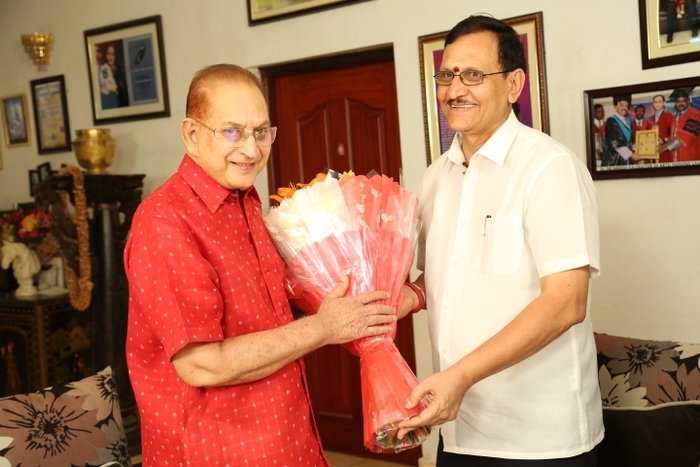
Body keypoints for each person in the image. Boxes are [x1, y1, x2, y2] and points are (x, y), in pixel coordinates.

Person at [123, 64, 397, 466]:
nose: (251, 150)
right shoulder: (164, 222)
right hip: (218, 453)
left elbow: (268, 314)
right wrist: (326, 326)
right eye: (232, 132)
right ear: (191, 134)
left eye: (261, 132)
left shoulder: (246, 201)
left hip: (288, 440)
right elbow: (201, 364)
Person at [395, 14, 603, 465]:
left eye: (473, 75)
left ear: (513, 84)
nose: (455, 90)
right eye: (446, 75)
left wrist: (461, 375)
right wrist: (409, 298)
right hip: (458, 425)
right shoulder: (434, 178)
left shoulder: (549, 168)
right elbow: (446, 274)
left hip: (541, 437)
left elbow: (566, 302)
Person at [601, 94, 641, 166]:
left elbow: (629, 142)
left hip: (626, 161)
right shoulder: (611, 121)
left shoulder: (629, 122)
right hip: (615, 161)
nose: (624, 108)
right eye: (622, 105)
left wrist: (636, 146)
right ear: (616, 106)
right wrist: (631, 155)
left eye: (626, 106)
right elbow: (615, 143)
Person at [661, 88, 700, 161]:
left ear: (688, 101)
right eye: (678, 101)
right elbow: (673, 137)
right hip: (677, 159)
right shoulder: (675, 117)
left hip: (691, 159)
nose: (680, 103)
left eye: (683, 101)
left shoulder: (695, 114)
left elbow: (684, 138)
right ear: (675, 103)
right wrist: (663, 141)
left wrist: (665, 147)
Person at [98, 43, 128, 109]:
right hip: (108, 101)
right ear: (105, 55)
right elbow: (107, 84)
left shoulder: (119, 69)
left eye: (113, 54)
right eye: (108, 54)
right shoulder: (104, 68)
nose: (110, 57)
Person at [648, 94, 675, 163]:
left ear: (664, 103)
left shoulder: (670, 116)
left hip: (665, 151)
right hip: (652, 152)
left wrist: (664, 140)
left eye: (660, 101)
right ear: (653, 104)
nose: (657, 104)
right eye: (655, 102)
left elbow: (674, 134)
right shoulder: (649, 119)